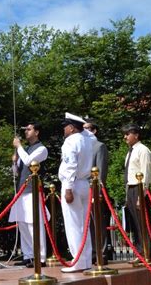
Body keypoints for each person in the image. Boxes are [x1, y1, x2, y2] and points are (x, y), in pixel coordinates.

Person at [9, 122, 48, 268]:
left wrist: (19, 147)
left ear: (37, 132)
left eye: (29, 129)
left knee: (34, 224)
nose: (26, 131)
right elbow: (16, 172)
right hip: (21, 190)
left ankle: (40, 256)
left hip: (33, 191)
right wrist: (14, 162)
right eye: (25, 129)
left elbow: (28, 161)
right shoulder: (26, 149)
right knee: (23, 223)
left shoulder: (42, 149)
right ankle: (28, 255)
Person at [58, 112, 93, 273]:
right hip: (85, 183)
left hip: (72, 184)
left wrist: (68, 188)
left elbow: (70, 165)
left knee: (74, 225)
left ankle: (77, 261)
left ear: (71, 128)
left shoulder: (70, 141)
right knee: (83, 224)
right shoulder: (87, 140)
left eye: (65, 127)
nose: (63, 130)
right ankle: (85, 260)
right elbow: (89, 133)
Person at [122, 123, 151, 259]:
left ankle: (147, 252)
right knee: (134, 222)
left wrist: (142, 193)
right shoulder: (130, 151)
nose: (125, 137)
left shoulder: (143, 150)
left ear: (136, 135)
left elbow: (146, 173)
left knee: (142, 221)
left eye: (127, 134)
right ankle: (140, 251)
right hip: (131, 188)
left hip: (139, 188)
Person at [84, 118, 111, 264]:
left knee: (97, 222)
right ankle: (91, 253)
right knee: (87, 224)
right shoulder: (83, 146)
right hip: (82, 190)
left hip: (93, 189)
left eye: (88, 128)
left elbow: (100, 171)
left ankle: (101, 253)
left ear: (94, 130)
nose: (85, 131)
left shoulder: (99, 146)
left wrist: (99, 192)